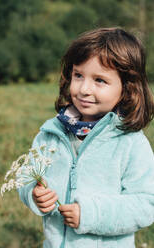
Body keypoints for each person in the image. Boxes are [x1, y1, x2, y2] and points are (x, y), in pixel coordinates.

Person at [18, 27, 154, 248]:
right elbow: (25, 174)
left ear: (127, 88)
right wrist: (33, 193)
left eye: (100, 80)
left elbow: (146, 204)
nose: (84, 89)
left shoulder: (130, 143)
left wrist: (90, 214)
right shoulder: (52, 133)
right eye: (78, 75)